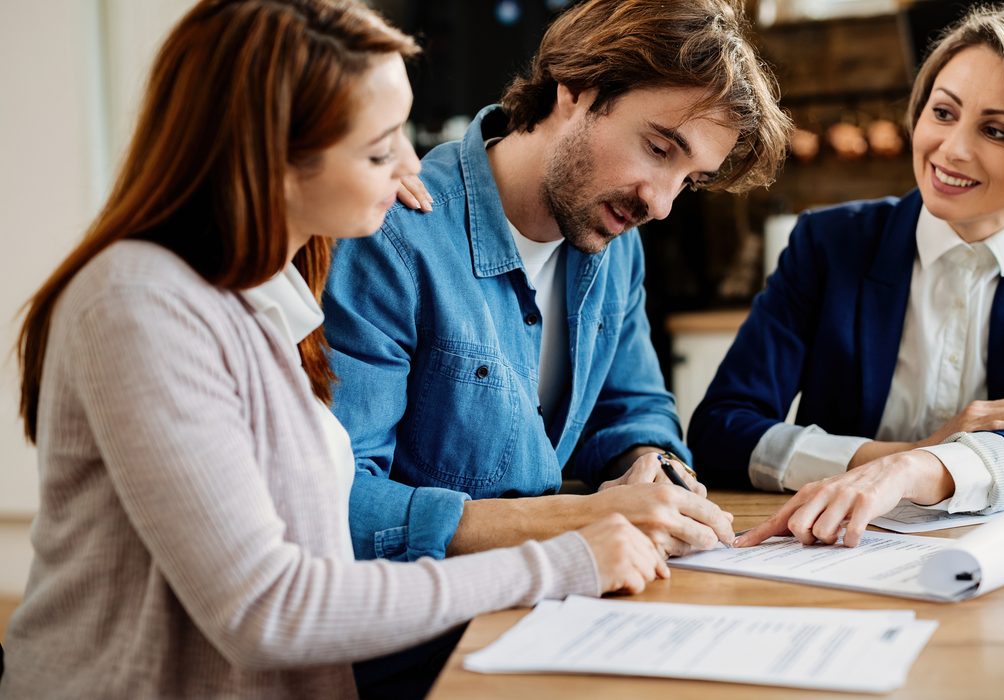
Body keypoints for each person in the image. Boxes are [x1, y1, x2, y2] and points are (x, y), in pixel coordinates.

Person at [0, 1, 666, 697]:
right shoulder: (137, 305)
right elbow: (268, 610)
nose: (413, 166)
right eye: (380, 148)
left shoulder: (266, 299)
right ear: (270, 157)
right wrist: (561, 561)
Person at [323, 0, 790, 569]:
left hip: (561, 598)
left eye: (688, 181)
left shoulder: (616, 246)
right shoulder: (392, 238)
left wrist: (653, 467)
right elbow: (338, 505)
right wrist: (574, 519)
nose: (660, 203)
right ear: (575, 90)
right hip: (433, 633)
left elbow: (632, 409)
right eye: (659, 149)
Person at [689, 5, 1004, 549]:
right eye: (943, 113)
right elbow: (722, 432)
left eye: (996, 131)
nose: (951, 149)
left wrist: (908, 473)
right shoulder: (829, 244)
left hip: (984, 566)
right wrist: (901, 455)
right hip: (825, 547)